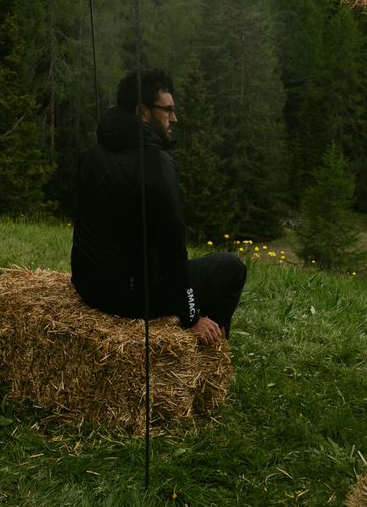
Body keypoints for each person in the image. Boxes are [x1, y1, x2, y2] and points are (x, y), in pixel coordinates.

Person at [70, 69, 246, 345]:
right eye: (168, 110)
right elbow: (173, 252)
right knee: (231, 267)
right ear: (143, 113)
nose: (174, 118)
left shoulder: (89, 155)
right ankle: (210, 353)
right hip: (129, 299)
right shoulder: (157, 166)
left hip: (87, 287)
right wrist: (190, 318)